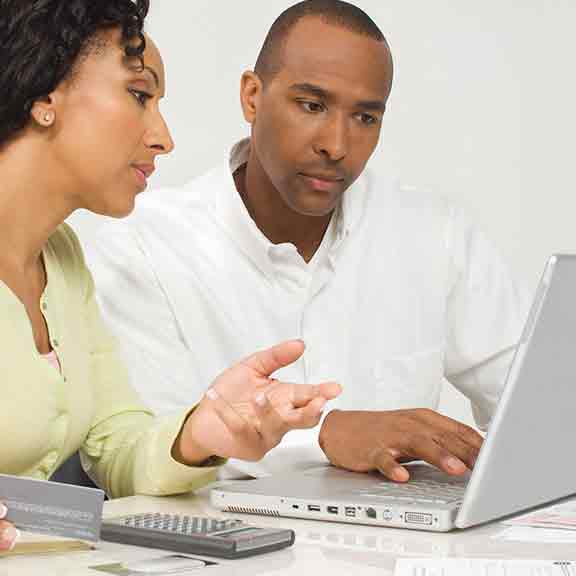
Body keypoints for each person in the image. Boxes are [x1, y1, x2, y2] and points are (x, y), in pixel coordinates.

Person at [83, 1, 529, 485]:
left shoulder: (436, 235)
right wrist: (325, 436)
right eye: (312, 106)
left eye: (365, 118)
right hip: (229, 556)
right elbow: (144, 451)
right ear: (252, 97)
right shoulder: (142, 245)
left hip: (403, 555)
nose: (336, 145)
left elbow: (539, 408)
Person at [0, 0, 341, 551]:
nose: (163, 137)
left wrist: (205, 430)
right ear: (45, 96)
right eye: (139, 95)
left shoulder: (61, 259)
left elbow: (114, 447)